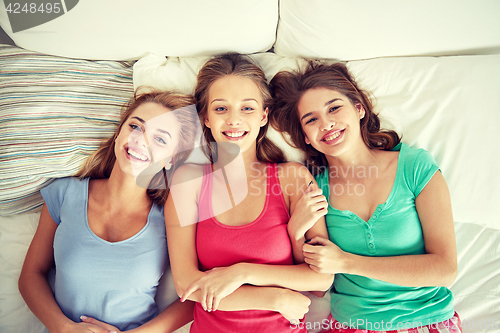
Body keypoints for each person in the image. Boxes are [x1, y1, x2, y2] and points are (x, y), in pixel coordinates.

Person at [269, 61, 462, 333]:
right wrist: (296, 231)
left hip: (427, 321)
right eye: (311, 119)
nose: (326, 123)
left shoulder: (414, 166)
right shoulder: (314, 190)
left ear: (359, 109)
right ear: (307, 138)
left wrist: (347, 262)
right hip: (350, 325)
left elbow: (444, 270)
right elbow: (317, 288)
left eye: (334, 108)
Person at [165, 53, 334, 333]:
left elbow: (322, 280)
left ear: (264, 115)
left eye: (247, 108)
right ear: (205, 117)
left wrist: (242, 273)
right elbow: (187, 285)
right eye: (221, 109)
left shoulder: (291, 178)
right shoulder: (189, 181)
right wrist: (274, 297)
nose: (234, 120)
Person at [18, 90, 199, 333]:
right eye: (136, 127)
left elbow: (194, 296)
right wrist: (64, 328)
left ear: (171, 160)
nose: (141, 140)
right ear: (118, 133)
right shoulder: (63, 194)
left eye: (160, 139)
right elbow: (31, 275)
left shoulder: (171, 217)